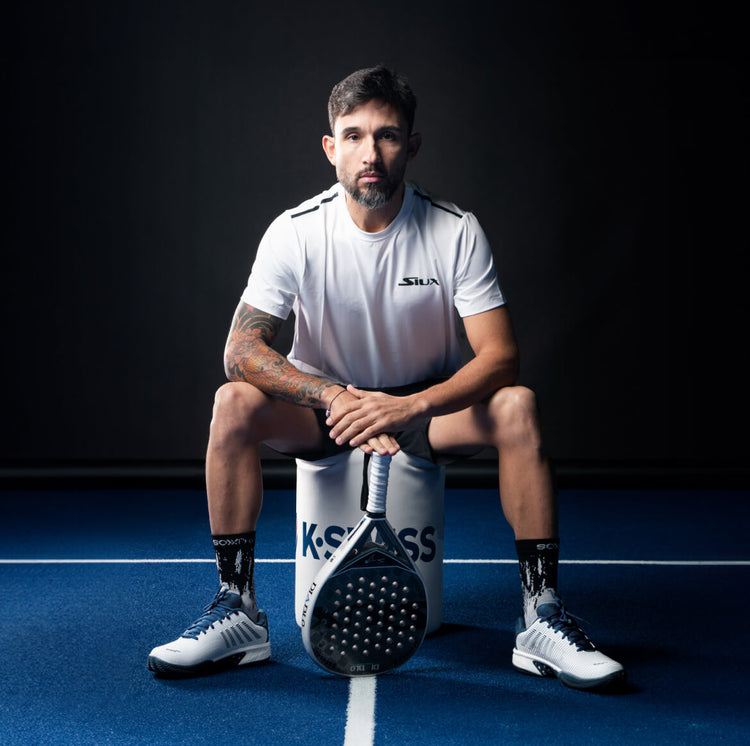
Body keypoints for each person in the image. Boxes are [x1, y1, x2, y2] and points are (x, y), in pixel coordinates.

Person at [147, 65, 625, 690]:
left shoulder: (455, 230)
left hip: (424, 412)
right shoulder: (295, 232)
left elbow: (500, 357)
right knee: (233, 401)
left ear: (412, 146)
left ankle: (542, 616)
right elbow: (242, 351)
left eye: (388, 136)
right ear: (330, 148)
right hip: (325, 410)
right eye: (353, 136)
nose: (370, 153)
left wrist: (412, 407)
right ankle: (238, 612)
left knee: (517, 406)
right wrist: (333, 395)